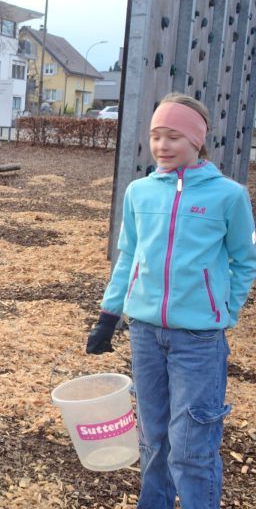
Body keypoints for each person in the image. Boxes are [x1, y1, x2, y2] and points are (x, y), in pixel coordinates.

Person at [86, 93, 256, 509]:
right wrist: (108, 314)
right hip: (145, 333)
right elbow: (129, 255)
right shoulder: (139, 192)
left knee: (190, 446)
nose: (162, 146)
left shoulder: (228, 196)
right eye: (156, 136)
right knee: (153, 437)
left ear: (197, 140)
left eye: (173, 137)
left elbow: (245, 260)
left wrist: (225, 310)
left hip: (198, 340)